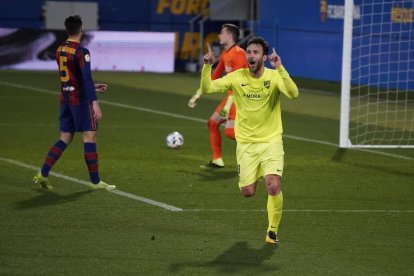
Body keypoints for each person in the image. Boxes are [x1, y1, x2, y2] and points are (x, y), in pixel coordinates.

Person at [200, 37, 299, 244]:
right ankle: (253, 178)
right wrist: (207, 65)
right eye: (249, 52)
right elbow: (208, 87)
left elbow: (293, 93)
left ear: (264, 57)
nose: (251, 55)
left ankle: (272, 231)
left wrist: (280, 68)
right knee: (248, 192)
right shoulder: (237, 77)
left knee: (272, 185)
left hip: (271, 141)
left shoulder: (273, 76)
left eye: (255, 52)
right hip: (246, 144)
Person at [33, 15, 115, 191]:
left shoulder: (60, 49)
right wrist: (94, 102)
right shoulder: (81, 52)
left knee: (65, 137)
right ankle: (95, 182)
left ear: (67, 29)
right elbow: (85, 77)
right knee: (90, 136)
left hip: (65, 97)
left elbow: (71, 78)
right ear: (81, 29)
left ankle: (43, 173)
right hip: (79, 100)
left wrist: (93, 87)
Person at [188, 24, 247, 169]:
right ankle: (217, 160)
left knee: (229, 132)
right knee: (213, 123)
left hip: (241, 98)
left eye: (222, 33)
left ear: (229, 35)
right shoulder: (226, 54)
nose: (219, 35)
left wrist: (227, 106)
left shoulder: (239, 54)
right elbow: (213, 77)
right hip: (231, 97)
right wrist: (199, 93)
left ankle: (257, 148)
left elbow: (239, 82)